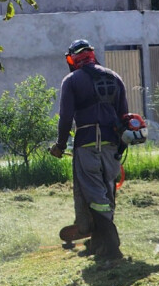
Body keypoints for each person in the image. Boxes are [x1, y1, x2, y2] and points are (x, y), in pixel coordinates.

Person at [48, 39, 128, 263]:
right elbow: (125, 117)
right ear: (93, 56)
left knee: (93, 194)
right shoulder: (115, 77)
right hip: (112, 145)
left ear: (72, 59)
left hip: (87, 144)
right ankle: (98, 241)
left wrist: (60, 146)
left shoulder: (72, 81)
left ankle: (111, 246)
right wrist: (119, 148)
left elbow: (66, 118)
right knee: (108, 192)